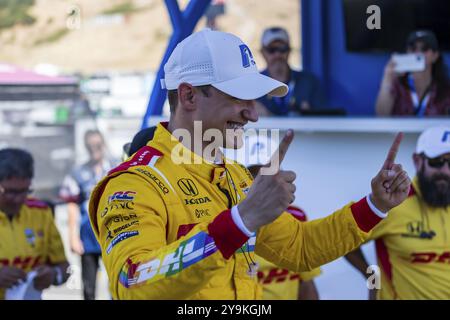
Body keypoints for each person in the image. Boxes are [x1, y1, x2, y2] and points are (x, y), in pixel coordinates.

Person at [88, 29, 411, 300]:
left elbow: (300, 248)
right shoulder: (134, 184)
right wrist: (240, 220)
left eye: (254, 99)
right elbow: (132, 283)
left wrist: (374, 206)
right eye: (239, 96)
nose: (253, 114)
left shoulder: (235, 176)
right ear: (188, 96)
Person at [345, 127, 450, 299]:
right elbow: (344, 242)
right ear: (417, 161)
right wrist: (373, 279)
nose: (445, 171)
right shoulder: (392, 203)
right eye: (436, 162)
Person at [236, 135, 321, 300]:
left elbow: (306, 281)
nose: (262, 183)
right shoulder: (225, 221)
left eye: (269, 174)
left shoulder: (297, 215)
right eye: (253, 175)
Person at [0, 148, 69, 299]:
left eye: (24, 191)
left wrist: (54, 275)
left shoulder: (40, 213)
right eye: (10, 192)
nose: (18, 199)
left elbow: (66, 269)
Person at [59, 130, 114, 300]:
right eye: (90, 146)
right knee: (89, 288)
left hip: (112, 235)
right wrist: (73, 237)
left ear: (103, 144)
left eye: (97, 145)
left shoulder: (116, 168)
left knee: (117, 284)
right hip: (88, 236)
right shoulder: (78, 173)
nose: (94, 149)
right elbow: (72, 205)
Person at [255, 26, 327, 117]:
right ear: (262, 52)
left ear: (289, 51)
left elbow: (324, 120)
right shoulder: (253, 84)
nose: (277, 55)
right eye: (271, 50)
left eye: (282, 49)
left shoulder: (310, 82)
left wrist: (310, 115)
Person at [375, 30, 450, 116]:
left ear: (435, 55)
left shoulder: (445, 89)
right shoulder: (397, 85)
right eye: (413, 48)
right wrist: (387, 78)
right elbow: (381, 115)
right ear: (407, 52)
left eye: (424, 48)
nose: (418, 53)